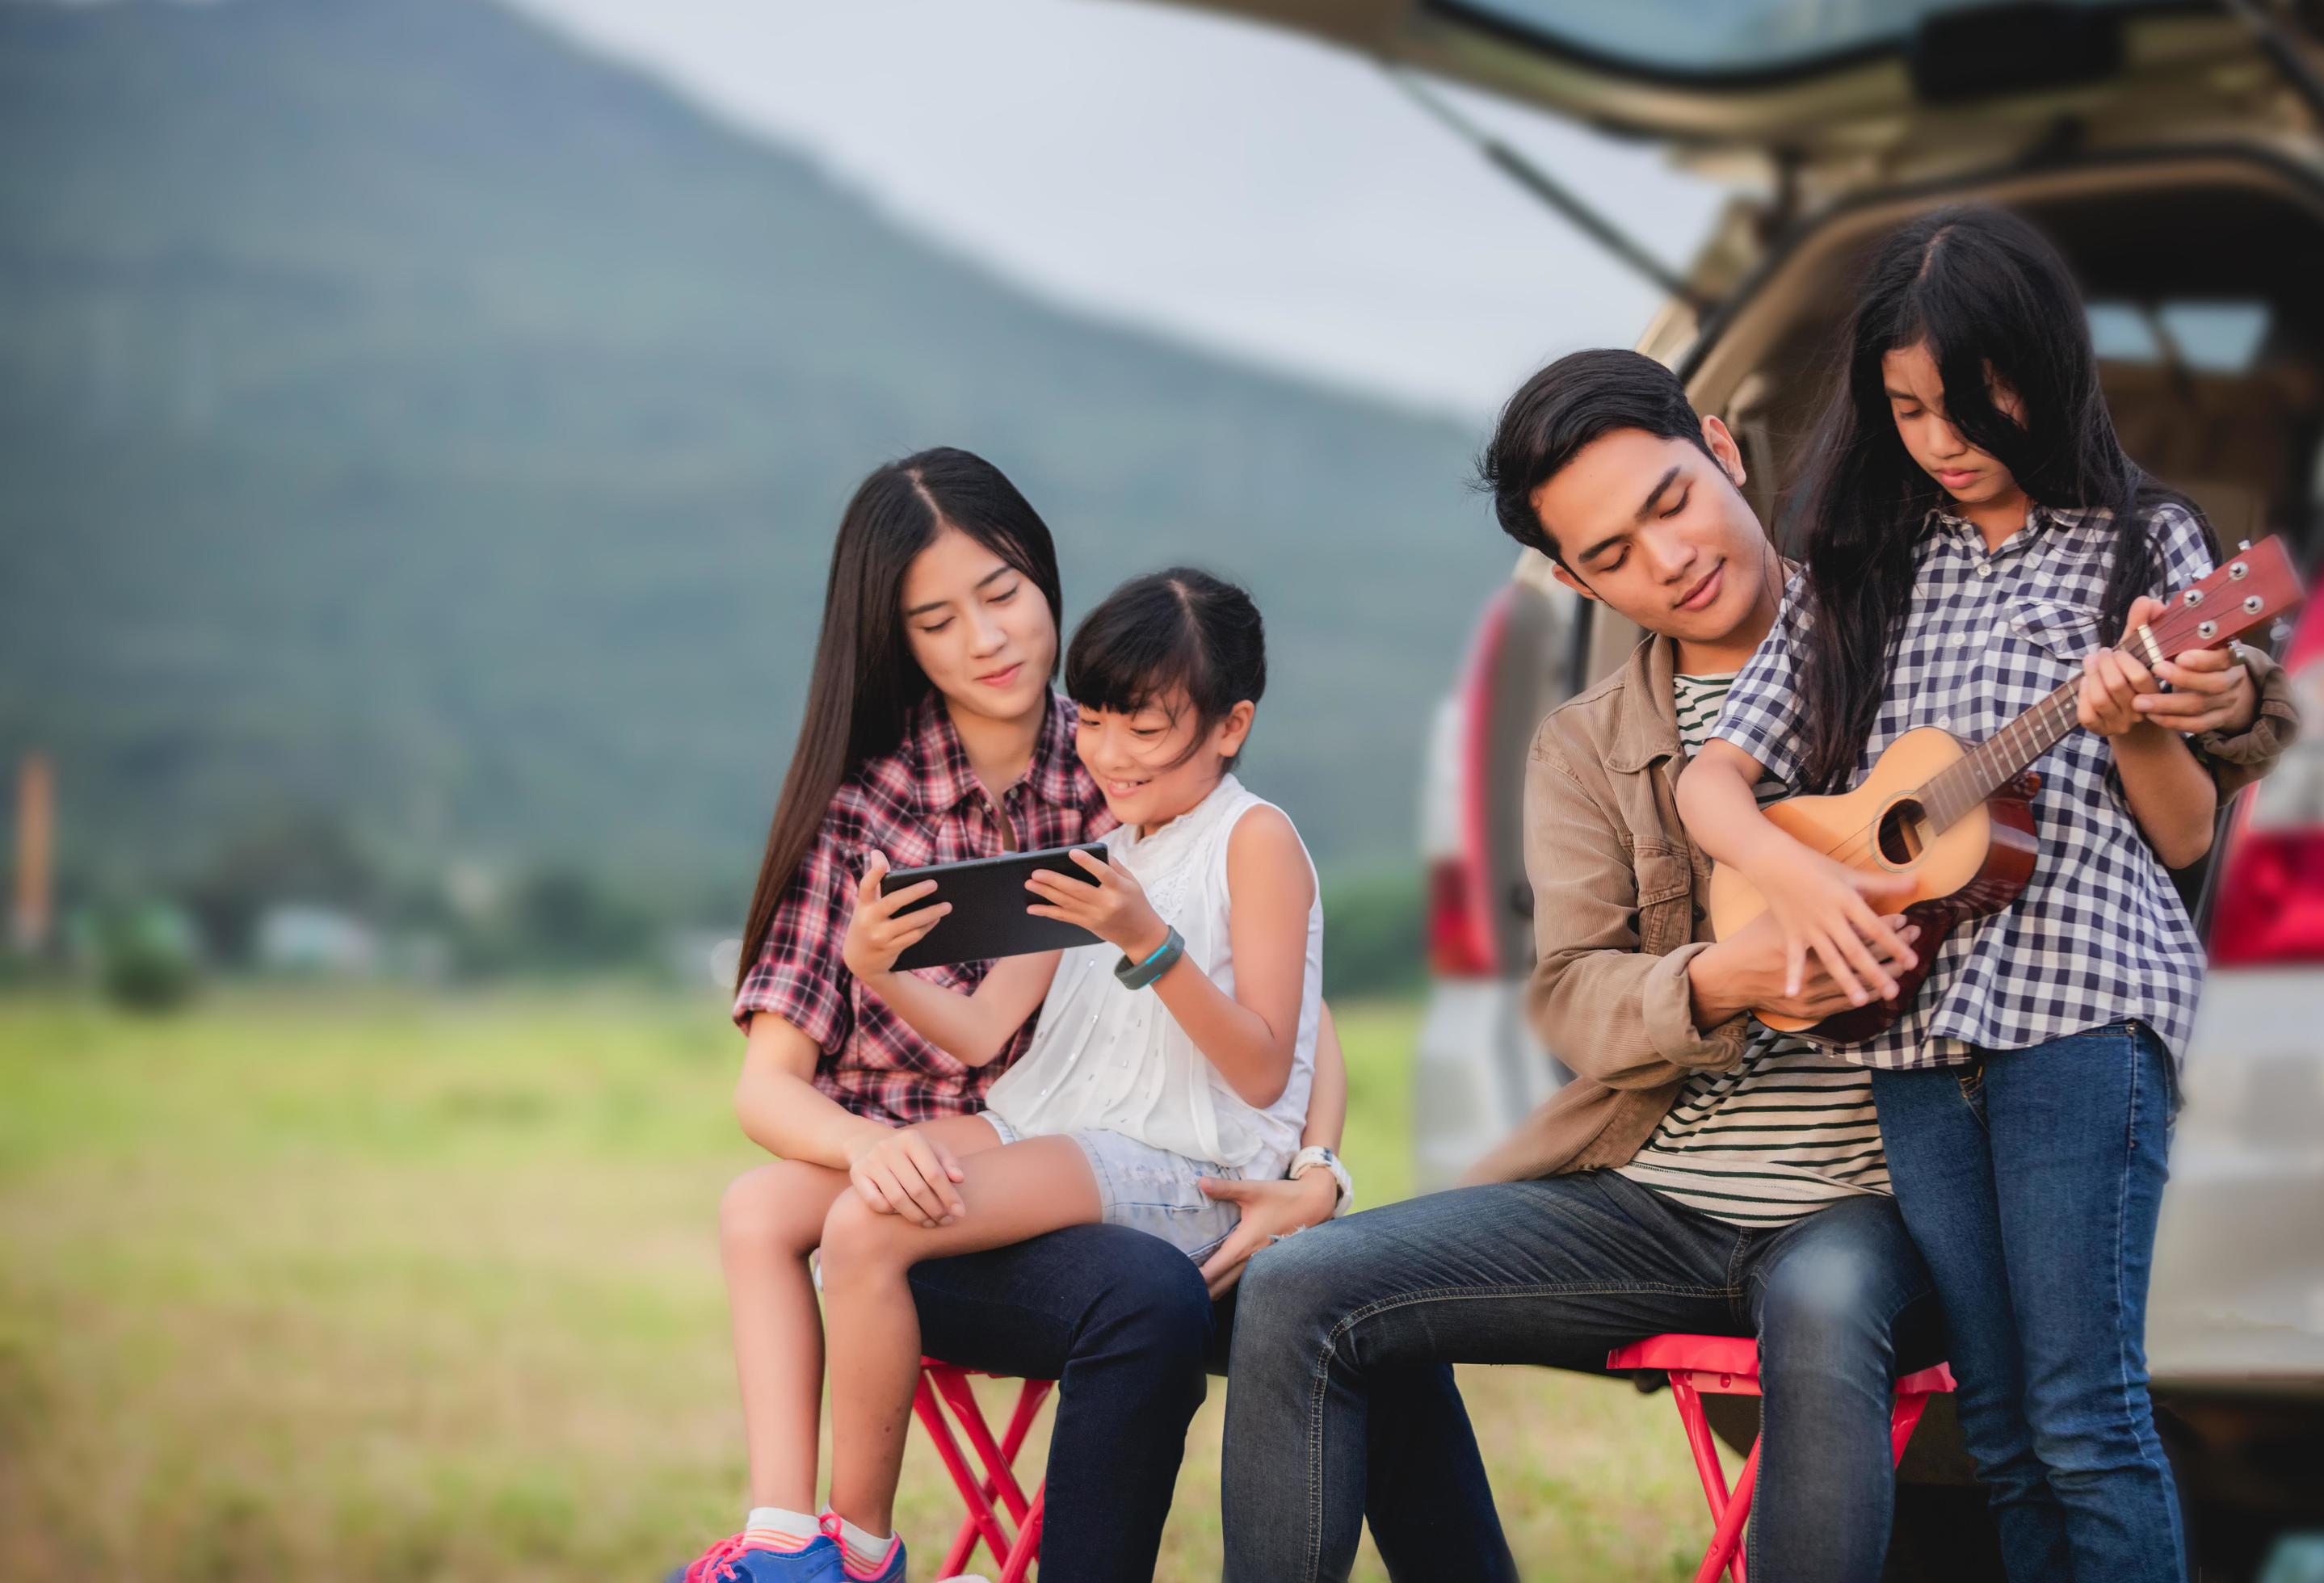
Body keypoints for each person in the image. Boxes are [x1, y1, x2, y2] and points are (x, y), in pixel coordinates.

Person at [1219, 346, 2285, 1582]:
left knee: (1826, 1307)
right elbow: (1569, 991)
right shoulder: (1583, 747)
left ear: (1724, 452)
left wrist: (2217, 690)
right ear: (1572, 579)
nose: (1664, 560)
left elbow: (2178, 705)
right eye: (1610, 556)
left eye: (1668, 502)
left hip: (1883, 1205)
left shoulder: (1909, 619)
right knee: (1307, 1290)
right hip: (1655, 1193)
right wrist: (1726, 981)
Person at [1676, 204, 2297, 1582]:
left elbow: (2185, 834)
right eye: (1906, 409)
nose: (1942, 438)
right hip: (1910, 1040)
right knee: (2005, 1430)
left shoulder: (2145, 549)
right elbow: (1710, 787)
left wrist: (2132, 713)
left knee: (2085, 1419)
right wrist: (1794, 872)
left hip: (2080, 1018)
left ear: (2043, 369)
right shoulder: (1859, 572)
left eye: (1972, 401)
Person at [674, 452, 1353, 1583]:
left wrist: (1320, 1169)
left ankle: (862, 1546)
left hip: (1097, 1163)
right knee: (768, 1210)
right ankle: (794, 1543)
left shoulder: (1126, 764)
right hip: (946, 1164)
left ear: (1044, 581)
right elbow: (792, 1082)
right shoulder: (873, 813)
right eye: (938, 620)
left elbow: (1283, 995)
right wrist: (872, 1107)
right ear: (899, 640)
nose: (985, 639)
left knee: (1204, 1293)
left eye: (1001, 594)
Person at [809, 565, 1324, 1581]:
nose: (1106, 753)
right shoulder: (1094, 851)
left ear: (1231, 725)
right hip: (1056, 1125)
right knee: (811, 1204)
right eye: (1090, 720)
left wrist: (1151, 940)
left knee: (867, 1224)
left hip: (1183, 1158)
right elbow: (978, 1030)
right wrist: (876, 967)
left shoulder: (1255, 840)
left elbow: (1266, 1068)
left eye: (1145, 725)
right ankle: (813, 1531)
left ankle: (856, 1553)